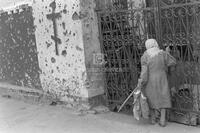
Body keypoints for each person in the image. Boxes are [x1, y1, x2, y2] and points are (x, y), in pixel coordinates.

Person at [137, 39, 176, 127]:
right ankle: (162, 120)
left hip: (150, 79)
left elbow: (144, 72)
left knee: (151, 97)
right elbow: (173, 62)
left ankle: (153, 119)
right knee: (163, 97)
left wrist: (141, 81)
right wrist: (167, 54)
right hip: (162, 78)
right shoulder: (163, 53)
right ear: (155, 44)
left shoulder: (145, 56)